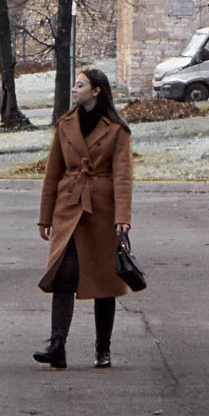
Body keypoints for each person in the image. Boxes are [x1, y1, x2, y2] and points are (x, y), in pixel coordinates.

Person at [35, 65, 134, 369]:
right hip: (68, 206)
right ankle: (57, 345)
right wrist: (45, 217)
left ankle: (103, 349)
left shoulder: (116, 129)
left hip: (101, 211)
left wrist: (122, 216)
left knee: (104, 281)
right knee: (63, 275)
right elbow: (52, 173)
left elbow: (123, 176)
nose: (75, 89)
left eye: (80, 85)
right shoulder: (65, 125)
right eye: (75, 85)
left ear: (96, 91)